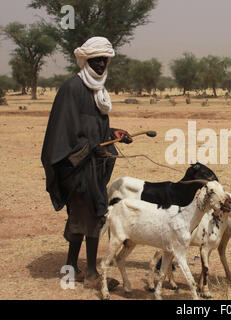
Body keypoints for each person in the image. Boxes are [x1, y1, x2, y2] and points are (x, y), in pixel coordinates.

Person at [41, 37, 133, 291]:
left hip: (91, 163)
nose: (102, 64)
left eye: (105, 59)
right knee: (93, 213)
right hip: (75, 165)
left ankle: (71, 265)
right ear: (86, 60)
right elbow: (63, 132)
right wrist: (90, 147)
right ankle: (92, 274)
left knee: (80, 215)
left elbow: (94, 128)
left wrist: (113, 134)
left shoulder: (97, 91)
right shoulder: (72, 88)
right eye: (96, 60)